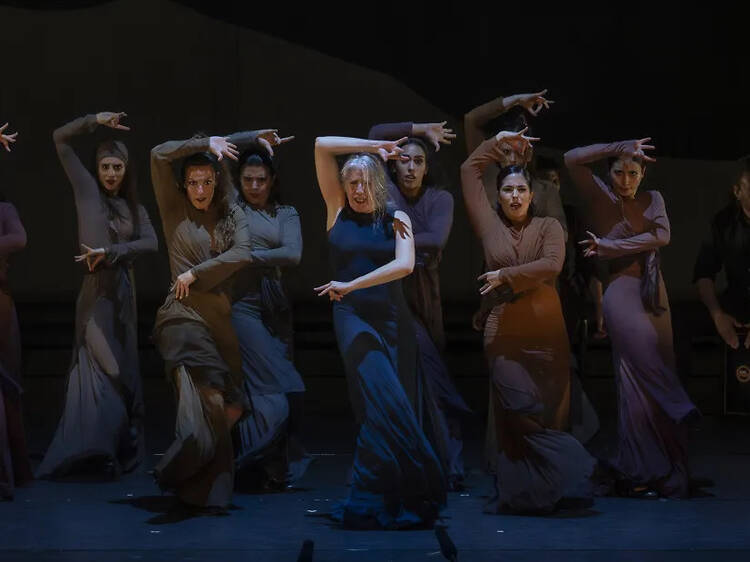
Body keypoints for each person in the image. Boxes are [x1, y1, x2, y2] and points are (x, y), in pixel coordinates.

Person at [313, 134, 446, 529]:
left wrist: (351, 284)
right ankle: (424, 480)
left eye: (365, 182)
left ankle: (373, 496)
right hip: (351, 319)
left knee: (378, 408)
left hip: (391, 320)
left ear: (378, 184)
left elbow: (404, 266)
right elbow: (321, 145)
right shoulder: (336, 210)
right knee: (382, 398)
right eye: (352, 182)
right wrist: (373, 149)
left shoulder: (397, 218)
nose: (358, 189)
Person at [462, 128, 595, 514]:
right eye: (507, 190)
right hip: (503, 334)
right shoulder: (488, 226)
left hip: (548, 335)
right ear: (498, 195)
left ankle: (534, 495)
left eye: (522, 190)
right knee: (516, 415)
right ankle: (571, 463)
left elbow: (552, 265)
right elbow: (469, 169)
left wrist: (505, 276)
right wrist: (497, 142)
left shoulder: (549, 227)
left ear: (532, 195)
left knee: (548, 417)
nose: (515, 196)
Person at [149, 129, 279, 511]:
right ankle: (191, 479)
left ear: (217, 182)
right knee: (210, 398)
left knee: (230, 407)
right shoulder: (173, 206)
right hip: (182, 314)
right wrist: (205, 143)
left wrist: (195, 273)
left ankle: (195, 487)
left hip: (219, 320)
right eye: (193, 183)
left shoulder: (231, 212)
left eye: (206, 182)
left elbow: (243, 253)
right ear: (183, 185)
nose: (200, 190)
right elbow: (158, 153)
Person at [565, 137, 699, 498]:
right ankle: (679, 403)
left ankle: (654, 466)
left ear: (643, 175)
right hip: (621, 291)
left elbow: (663, 237)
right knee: (644, 357)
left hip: (654, 292)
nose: (625, 180)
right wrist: (618, 147)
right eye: (619, 172)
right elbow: (572, 158)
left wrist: (611, 246)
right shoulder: (600, 197)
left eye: (633, 173)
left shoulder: (653, 198)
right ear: (609, 172)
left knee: (634, 383)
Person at [38, 112, 158, 479]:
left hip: (123, 294)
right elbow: (59, 138)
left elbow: (152, 243)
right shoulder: (87, 192)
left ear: (126, 170)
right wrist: (94, 120)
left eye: (117, 167)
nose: (110, 173)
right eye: (105, 166)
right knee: (109, 370)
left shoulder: (135, 208)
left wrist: (114, 252)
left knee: (126, 377)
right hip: (95, 296)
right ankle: (89, 448)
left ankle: (106, 452)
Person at [367, 121, 472, 490]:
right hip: (393, 296)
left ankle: (436, 463)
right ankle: (445, 464)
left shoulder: (440, 199)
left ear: (427, 168)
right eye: (404, 160)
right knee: (425, 377)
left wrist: (393, 240)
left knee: (428, 375)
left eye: (418, 161)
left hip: (426, 295)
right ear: (394, 164)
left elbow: (437, 238)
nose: (410, 167)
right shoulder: (387, 191)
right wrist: (418, 128)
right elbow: (374, 134)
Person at [230, 141, 312, 490]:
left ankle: (271, 469)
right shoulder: (232, 209)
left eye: (261, 179)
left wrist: (249, 256)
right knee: (270, 386)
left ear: (272, 180)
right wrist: (253, 137)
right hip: (242, 304)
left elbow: (293, 254)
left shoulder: (286, 213)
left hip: (276, 306)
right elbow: (222, 151)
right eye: (247, 179)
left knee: (279, 386)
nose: (254, 186)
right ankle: (248, 459)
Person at [464, 90, 567, 235]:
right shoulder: (487, 174)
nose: (512, 159)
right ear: (498, 151)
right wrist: (515, 100)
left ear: (528, 154)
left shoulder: (546, 190)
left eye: (518, 153)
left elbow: (561, 234)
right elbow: (471, 119)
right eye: (506, 152)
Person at [1, 121, 33, 499]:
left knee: (6, 386)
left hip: (0, 304)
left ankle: (14, 471)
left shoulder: (4, 208)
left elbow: (19, 239)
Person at [694, 157, 750, 349]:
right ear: (737, 191)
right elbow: (703, 274)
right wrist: (717, 315)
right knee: (678, 323)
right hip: (735, 303)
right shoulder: (723, 222)